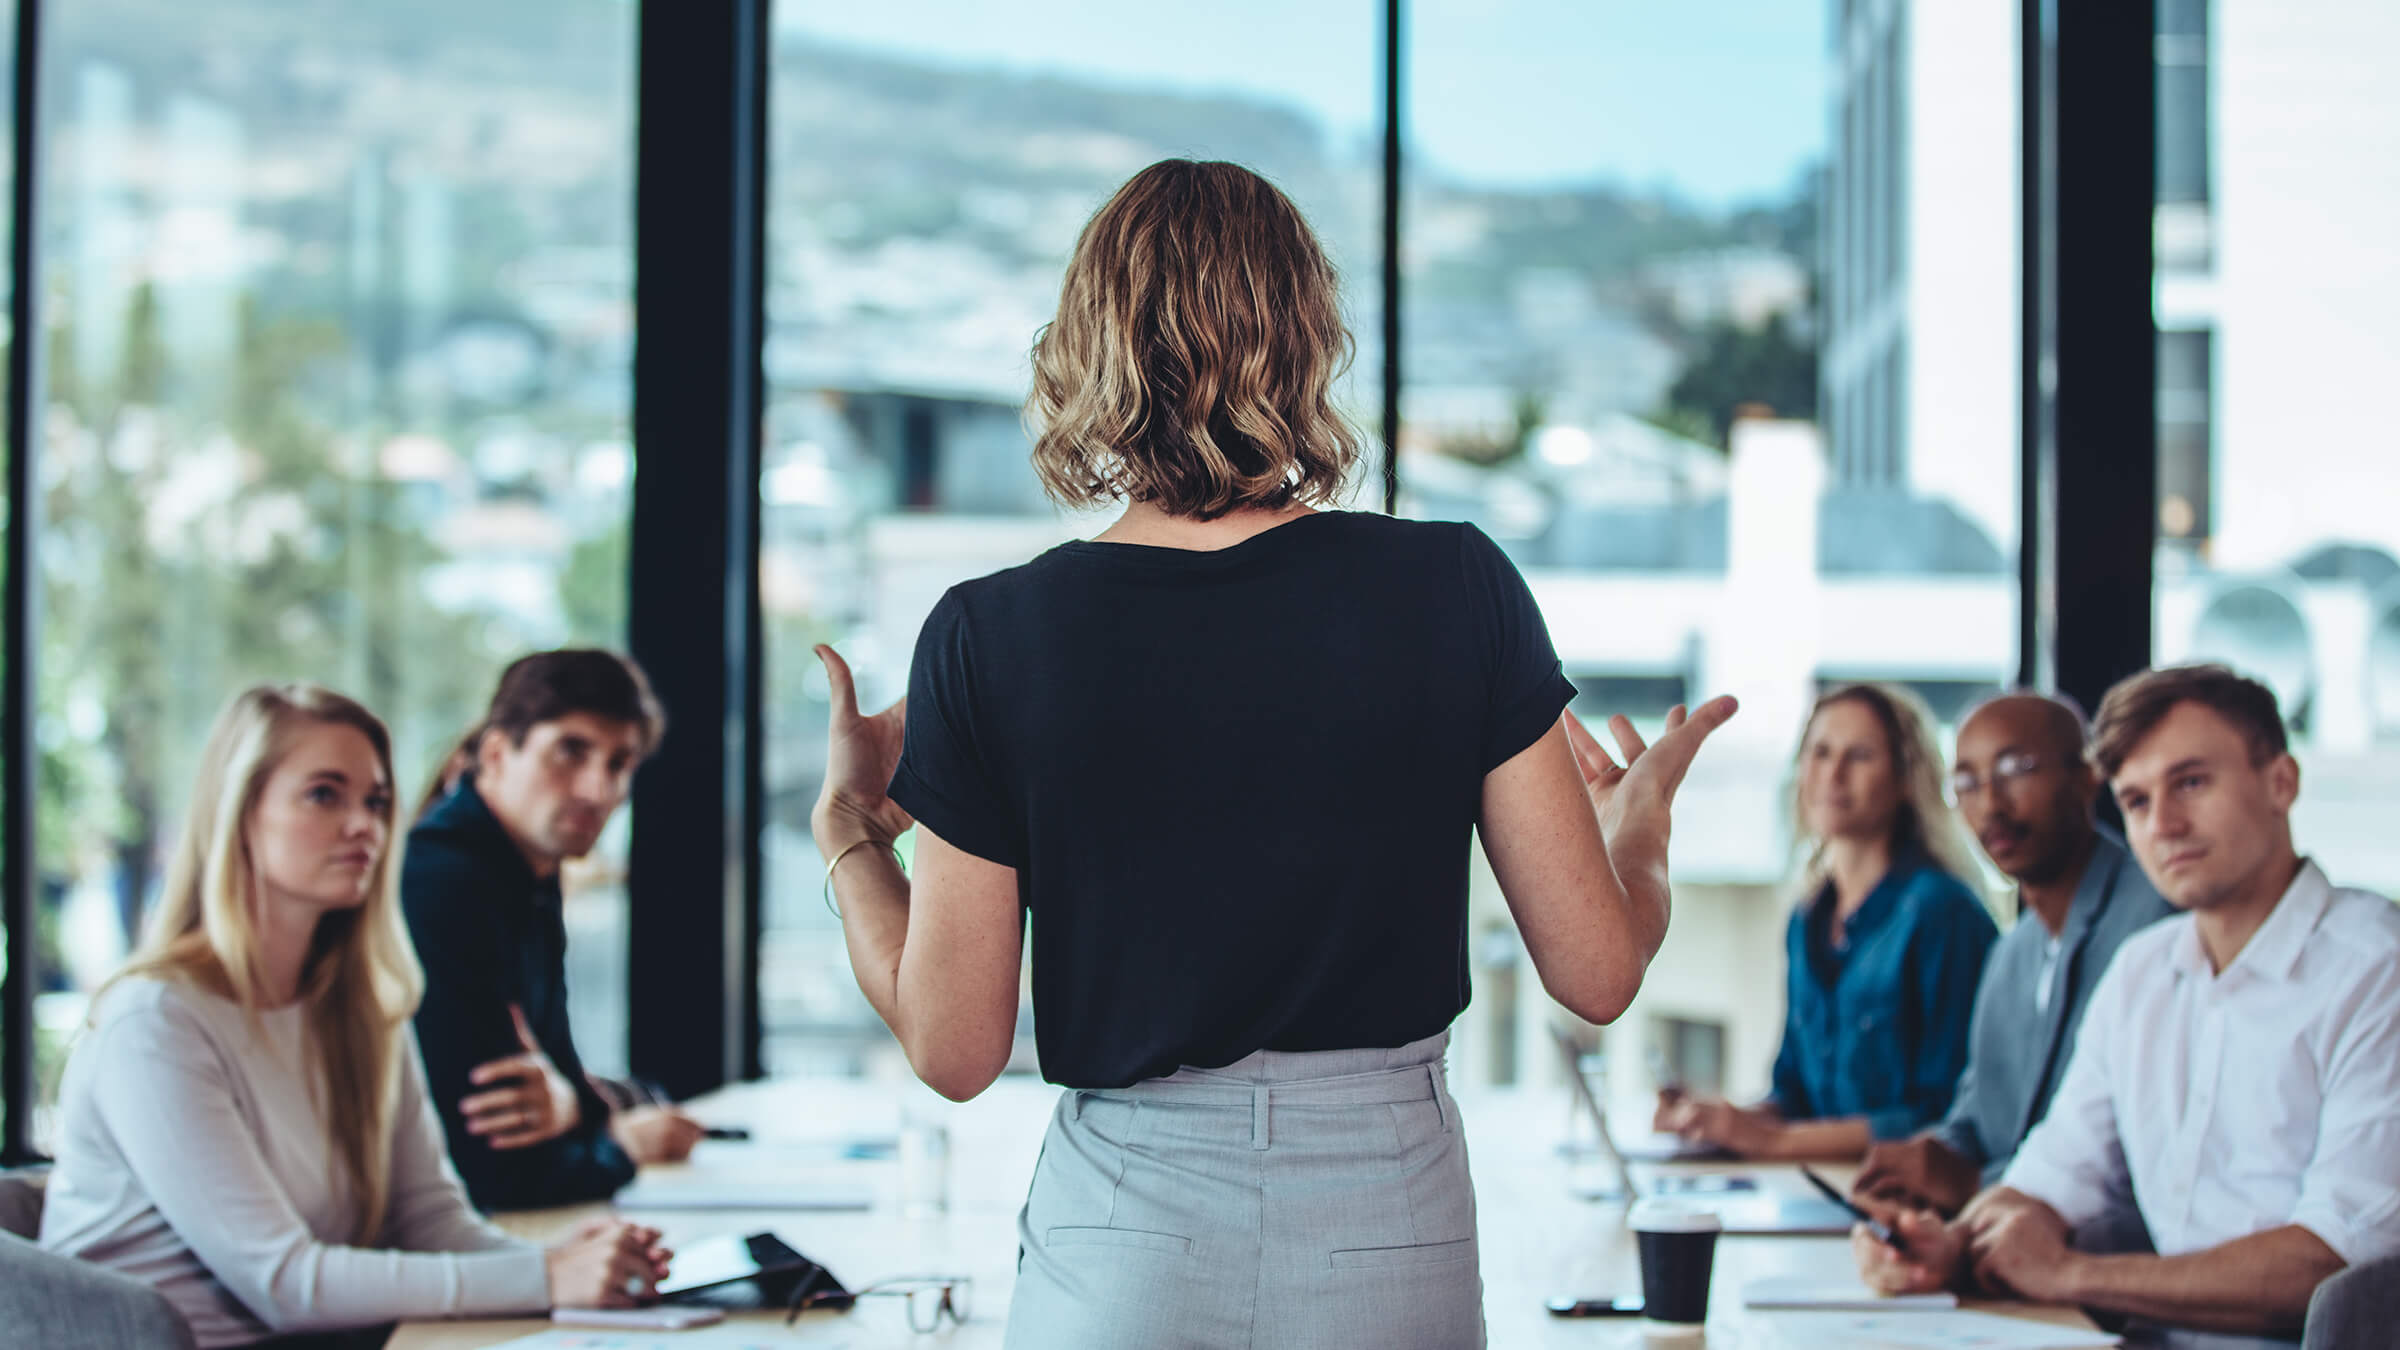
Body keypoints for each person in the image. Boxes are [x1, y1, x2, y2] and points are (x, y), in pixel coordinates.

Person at [810, 158, 1735, 1350]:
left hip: (1126, 1233)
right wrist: (1639, 830)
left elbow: (953, 1047)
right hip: (1386, 1207)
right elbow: (1598, 976)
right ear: (1305, 338)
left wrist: (848, 829)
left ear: (1088, 346)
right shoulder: (1455, 586)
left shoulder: (989, 636)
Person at [38, 684, 668, 1349]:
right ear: (240, 812)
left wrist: (569, 1260)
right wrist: (543, 1276)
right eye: (323, 795)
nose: (364, 825)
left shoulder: (361, 1004)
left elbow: (432, 1220)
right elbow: (283, 1282)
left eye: (375, 801)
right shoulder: (155, 1021)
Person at [1855, 665, 2400, 1345]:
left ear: (2281, 782)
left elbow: (2334, 1265)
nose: (2164, 824)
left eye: (2192, 783)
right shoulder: (2143, 969)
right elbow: (2052, 1175)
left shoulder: (2376, 969)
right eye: (2137, 802)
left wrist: (2072, 1275)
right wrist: (1954, 1245)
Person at [1851, 693, 2174, 1217]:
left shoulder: (2157, 924)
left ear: (2087, 776)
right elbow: (1972, 1123)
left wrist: (1975, 1183)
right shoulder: (2011, 953)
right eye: (1967, 783)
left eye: (2016, 769)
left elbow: (2132, 1158)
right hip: (1997, 1243)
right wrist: (1929, 1159)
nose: (1991, 804)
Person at [404, 650, 702, 1212]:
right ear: (495, 753)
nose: (598, 790)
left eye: (619, 764)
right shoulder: (443, 883)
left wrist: (576, 1106)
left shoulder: (527, 875)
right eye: (570, 751)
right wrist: (623, 1144)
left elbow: (560, 1080)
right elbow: (494, 1168)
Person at [1656, 682, 1998, 1160]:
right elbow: (1792, 1094)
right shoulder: (1808, 918)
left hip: (1904, 1203)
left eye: (1858, 756)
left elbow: (1945, 1115)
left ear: (1905, 778)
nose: (1833, 775)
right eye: (1820, 752)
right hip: (1816, 1188)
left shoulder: (1944, 912)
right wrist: (1720, 1121)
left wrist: (1775, 1142)